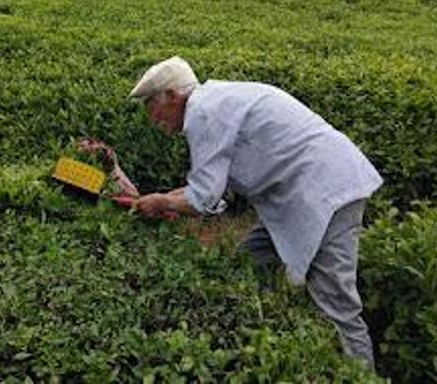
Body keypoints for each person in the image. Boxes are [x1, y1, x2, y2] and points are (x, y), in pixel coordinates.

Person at [130, 56, 383, 370]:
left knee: (337, 305)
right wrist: (166, 198)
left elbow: (202, 199)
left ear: (172, 96)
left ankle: (362, 373)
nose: (152, 118)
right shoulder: (218, 100)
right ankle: (261, 334)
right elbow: (212, 188)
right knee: (248, 261)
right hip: (301, 196)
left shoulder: (203, 113)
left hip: (324, 194)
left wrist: (162, 203)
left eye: (151, 107)